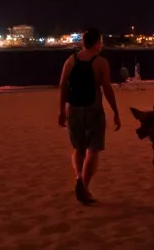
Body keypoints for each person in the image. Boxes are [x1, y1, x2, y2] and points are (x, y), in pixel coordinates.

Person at [57, 28, 121, 205]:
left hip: (73, 109)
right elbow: (107, 88)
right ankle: (84, 187)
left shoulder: (71, 60)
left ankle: (79, 178)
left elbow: (63, 86)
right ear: (97, 43)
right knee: (93, 149)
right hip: (94, 110)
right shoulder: (101, 62)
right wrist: (116, 112)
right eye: (101, 42)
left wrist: (61, 111)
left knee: (78, 149)